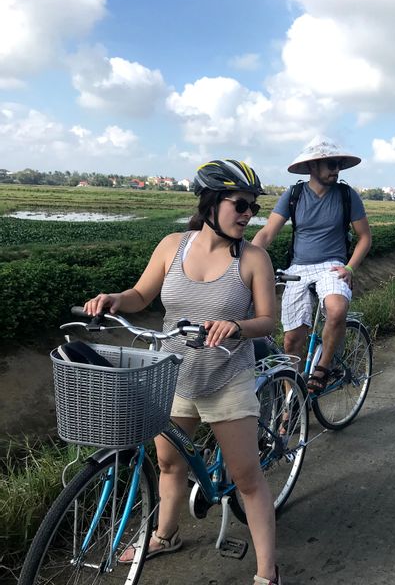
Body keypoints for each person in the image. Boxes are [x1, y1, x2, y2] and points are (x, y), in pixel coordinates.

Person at [83, 160, 282, 585]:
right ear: (210, 204)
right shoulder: (173, 245)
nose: (248, 214)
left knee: (247, 478)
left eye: (253, 206)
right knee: (169, 463)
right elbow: (141, 295)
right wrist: (115, 299)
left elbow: (268, 320)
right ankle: (165, 535)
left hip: (227, 378)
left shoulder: (253, 258)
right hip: (173, 376)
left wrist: (238, 326)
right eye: (240, 204)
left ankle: (268, 572)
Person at [252, 136, 372, 392]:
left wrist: (350, 268)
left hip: (332, 265)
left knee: (337, 309)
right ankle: (290, 403)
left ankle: (323, 368)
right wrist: (246, 258)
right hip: (297, 268)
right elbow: (267, 233)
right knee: (292, 340)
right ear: (312, 167)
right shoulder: (294, 195)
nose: (336, 170)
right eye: (330, 164)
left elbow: (365, 237)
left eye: (338, 164)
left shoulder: (346, 196)